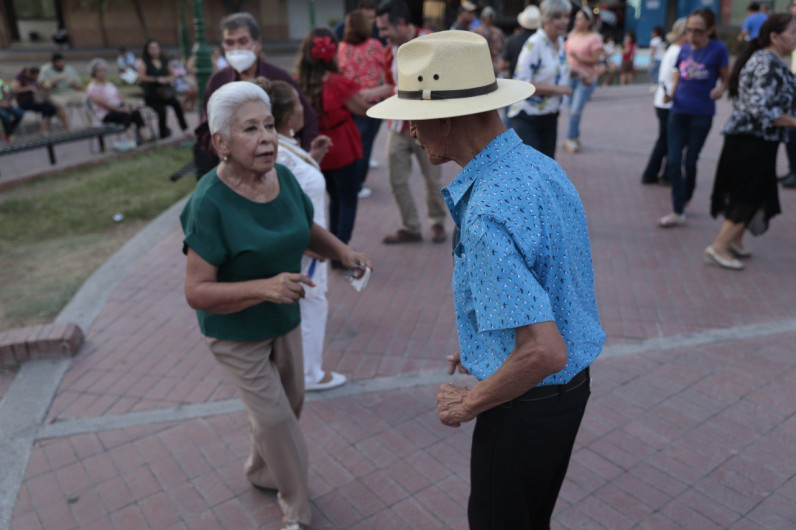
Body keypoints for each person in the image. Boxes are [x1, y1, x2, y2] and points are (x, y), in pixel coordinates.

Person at [368, 30, 604, 529]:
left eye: (414, 118)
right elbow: (551, 283)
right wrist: (488, 335)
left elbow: (543, 350)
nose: (409, 130)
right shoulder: (539, 167)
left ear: (446, 119)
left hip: (525, 400)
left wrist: (469, 402)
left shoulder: (488, 212)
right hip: (566, 393)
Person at [180, 81, 371, 530]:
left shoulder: (282, 177)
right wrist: (264, 287)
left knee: (289, 405)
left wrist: (342, 252)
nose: (267, 137)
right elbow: (196, 292)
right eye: (251, 129)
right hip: (234, 332)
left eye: (269, 125)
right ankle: (297, 513)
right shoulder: (208, 202)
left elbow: (303, 229)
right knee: (277, 420)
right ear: (221, 143)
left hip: (284, 318)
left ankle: (261, 471)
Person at [258, 78, 347, 391]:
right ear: (287, 116)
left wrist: (314, 157)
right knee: (311, 303)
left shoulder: (286, 149)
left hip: (308, 240)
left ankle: (302, 369)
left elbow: (297, 187)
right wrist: (307, 243)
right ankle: (309, 374)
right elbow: (276, 199)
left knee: (308, 302)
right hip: (303, 245)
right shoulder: (279, 153)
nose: (302, 108)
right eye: (297, 103)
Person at [705, 14, 796, 270]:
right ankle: (718, 247)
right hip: (750, 140)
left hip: (757, 140)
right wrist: (792, 121)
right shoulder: (767, 61)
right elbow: (760, 107)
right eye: (794, 32)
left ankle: (733, 240)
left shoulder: (771, 60)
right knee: (748, 193)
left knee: (756, 192)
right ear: (775, 37)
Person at [194, 12, 319, 179]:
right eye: (229, 43)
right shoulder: (218, 81)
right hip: (234, 172)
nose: (236, 48)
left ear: (257, 43)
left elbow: (308, 118)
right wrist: (226, 153)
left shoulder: (279, 77)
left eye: (243, 41)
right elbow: (205, 129)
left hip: (278, 168)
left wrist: (302, 158)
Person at [376, 0, 448, 244]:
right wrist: (366, 94)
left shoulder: (430, 42)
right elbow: (390, 84)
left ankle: (437, 222)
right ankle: (411, 226)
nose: (382, 34)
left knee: (432, 177)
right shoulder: (390, 50)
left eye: (385, 28)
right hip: (398, 125)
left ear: (402, 23)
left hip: (428, 122)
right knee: (396, 177)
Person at [296, 28, 376, 247]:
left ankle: (333, 244)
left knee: (333, 198)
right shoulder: (337, 83)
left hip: (316, 150)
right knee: (348, 199)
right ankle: (341, 248)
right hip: (341, 148)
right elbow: (362, 109)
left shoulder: (298, 83)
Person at [658, 8, 729, 228]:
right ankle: (678, 210)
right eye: (689, 30)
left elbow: (727, 78)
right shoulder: (684, 49)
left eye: (698, 31)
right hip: (678, 111)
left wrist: (722, 89)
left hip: (702, 114)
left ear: (710, 30)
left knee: (691, 161)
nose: (692, 36)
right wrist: (670, 94)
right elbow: (678, 75)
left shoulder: (718, 49)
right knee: (674, 160)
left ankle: (686, 196)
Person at [507, 0, 574, 159]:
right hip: (528, 116)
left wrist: (579, 73)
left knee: (547, 168)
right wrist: (559, 90)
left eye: (566, 16)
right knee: (532, 170)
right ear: (545, 20)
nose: (565, 21)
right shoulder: (534, 44)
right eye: (558, 17)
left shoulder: (559, 41)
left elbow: (555, 69)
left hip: (550, 115)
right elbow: (522, 85)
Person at [338, 8, 392, 198]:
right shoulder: (374, 45)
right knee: (365, 145)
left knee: (353, 143)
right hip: (372, 101)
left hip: (350, 101)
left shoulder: (342, 47)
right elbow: (386, 72)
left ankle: (350, 182)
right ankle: (357, 185)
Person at [641, 18, 687, 185]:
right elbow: (673, 79)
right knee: (669, 140)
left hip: (663, 101)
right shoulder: (677, 51)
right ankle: (660, 174)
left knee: (665, 139)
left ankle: (655, 173)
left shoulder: (673, 49)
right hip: (668, 102)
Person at [562, 8, 602, 154]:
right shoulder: (571, 35)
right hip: (570, 77)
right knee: (572, 110)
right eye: (576, 18)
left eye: (580, 19)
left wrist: (579, 58)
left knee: (574, 110)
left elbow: (597, 59)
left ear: (588, 21)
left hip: (585, 79)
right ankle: (575, 136)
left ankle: (571, 139)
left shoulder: (594, 38)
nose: (577, 21)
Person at [86, 58, 149, 147]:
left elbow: (119, 97)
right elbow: (105, 105)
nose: (103, 73)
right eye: (100, 71)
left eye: (104, 71)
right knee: (125, 115)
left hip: (118, 109)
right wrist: (121, 110)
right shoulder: (92, 88)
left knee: (136, 113)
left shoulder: (109, 84)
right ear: (94, 73)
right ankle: (132, 140)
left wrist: (127, 106)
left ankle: (144, 138)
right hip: (105, 114)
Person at [137, 38, 190, 140]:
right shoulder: (143, 61)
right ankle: (163, 134)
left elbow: (173, 74)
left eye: (157, 48)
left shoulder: (164, 60)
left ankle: (185, 129)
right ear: (147, 50)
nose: (155, 50)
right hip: (151, 94)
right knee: (162, 111)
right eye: (152, 48)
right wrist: (157, 79)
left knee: (177, 105)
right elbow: (141, 77)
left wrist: (168, 79)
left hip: (165, 93)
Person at [12, 66, 69, 134]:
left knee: (52, 108)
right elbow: (15, 89)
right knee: (48, 108)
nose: (37, 77)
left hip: (34, 101)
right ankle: (43, 131)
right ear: (30, 73)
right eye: (36, 75)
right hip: (23, 102)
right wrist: (29, 88)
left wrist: (44, 85)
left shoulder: (34, 79)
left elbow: (43, 86)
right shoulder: (20, 76)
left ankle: (45, 130)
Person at [498, 4, 540, 79]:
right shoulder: (542, 42)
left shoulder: (512, 40)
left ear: (521, 24)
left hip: (517, 84)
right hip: (540, 85)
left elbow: (502, 65)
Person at [474, 7, 506, 74]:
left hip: (493, 63)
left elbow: (503, 48)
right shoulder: (476, 31)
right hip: (482, 63)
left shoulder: (498, 32)